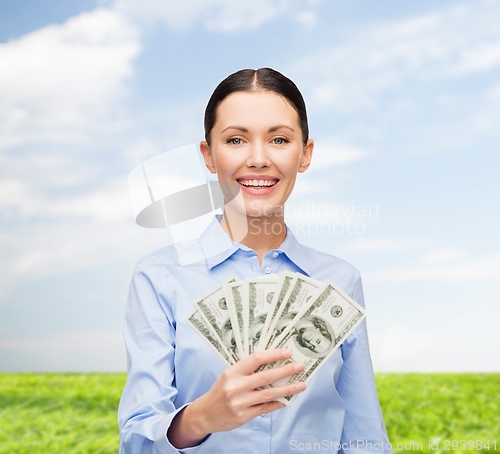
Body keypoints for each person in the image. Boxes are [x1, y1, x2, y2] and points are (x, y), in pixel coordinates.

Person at [118, 68, 392, 454]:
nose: (259, 159)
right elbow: (135, 439)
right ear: (208, 156)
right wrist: (203, 417)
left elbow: (365, 439)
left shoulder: (340, 281)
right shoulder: (160, 277)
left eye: (279, 139)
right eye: (235, 140)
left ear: (306, 154)